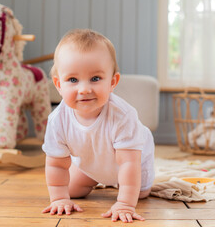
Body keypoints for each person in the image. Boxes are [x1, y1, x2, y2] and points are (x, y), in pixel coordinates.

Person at [41, 29, 155, 223]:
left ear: (112, 82)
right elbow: (56, 164)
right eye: (73, 80)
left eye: (95, 79)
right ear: (59, 85)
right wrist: (60, 199)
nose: (84, 89)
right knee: (71, 191)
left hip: (133, 159)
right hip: (92, 161)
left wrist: (125, 204)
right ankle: (97, 178)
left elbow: (128, 163)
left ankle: (121, 186)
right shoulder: (57, 120)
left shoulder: (123, 116)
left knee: (140, 193)